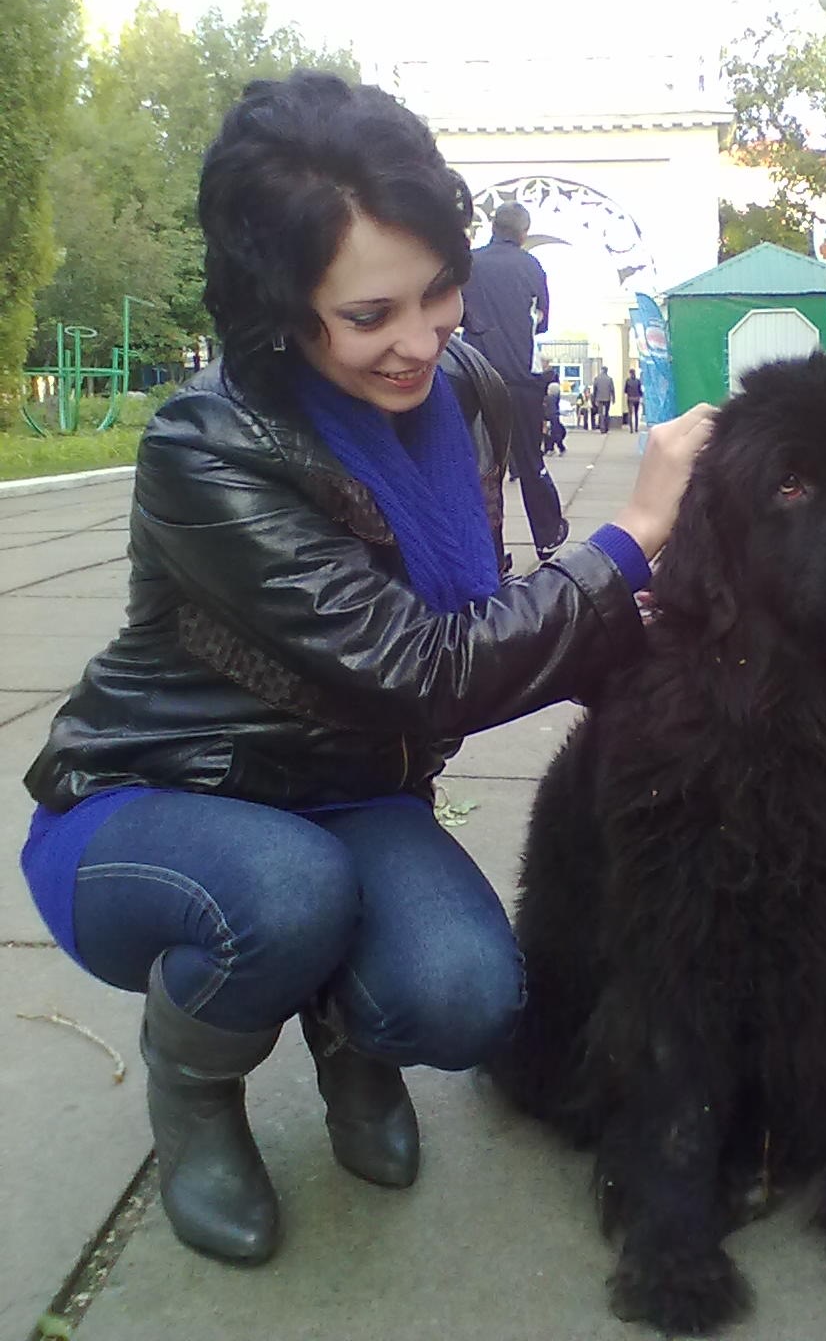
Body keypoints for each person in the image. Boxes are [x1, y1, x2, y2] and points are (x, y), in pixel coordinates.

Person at [19, 71, 714, 1270]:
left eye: (439, 289)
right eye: (370, 314)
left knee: (470, 996)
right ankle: (195, 1092)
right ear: (282, 310)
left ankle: (349, 1030)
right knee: (287, 895)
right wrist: (631, 536)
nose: (422, 337)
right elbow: (421, 665)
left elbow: (485, 620)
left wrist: (644, 632)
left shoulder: (465, 392)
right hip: (157, 795)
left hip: (353, 791)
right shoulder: (209, 448)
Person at [460, 203, 568, 560]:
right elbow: (543, 321)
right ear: (524, 232)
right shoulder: (531, 266)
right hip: (521, 378)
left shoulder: (470, 264)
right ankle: (548, 533)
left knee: (484, 467)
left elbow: (457, 313)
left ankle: (492, 553)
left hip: (477, 375)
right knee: (530, 459)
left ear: (493, 227)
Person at [542, 366, 566, 456]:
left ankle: (550, 448)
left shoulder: (549, 387)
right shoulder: (556, 386)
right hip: (553, 412)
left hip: (547, 411)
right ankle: (555, 447)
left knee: (549, 431)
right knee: (553, 431)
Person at [592, 364, 615, 434]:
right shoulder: (609, 379)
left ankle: (602, 428)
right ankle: (606, 427)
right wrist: (613, 398)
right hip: (607, 398)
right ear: (606, 371)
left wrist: (594, 398)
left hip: (599, 398)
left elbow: (594, 389)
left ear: (601, 370)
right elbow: (612, 389)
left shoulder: (597, 378)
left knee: (601, 413)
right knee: (607, 413)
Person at [625, 368, 643, 433]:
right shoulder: (638, 381)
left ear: (630, 373)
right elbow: (640, 391)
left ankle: (631, 429)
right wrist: (640, 396)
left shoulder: (628, 381)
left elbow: (625, 390)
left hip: (630, 399)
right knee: (636, 413)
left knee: (630, 414)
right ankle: (636, 428)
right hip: (637, 399)